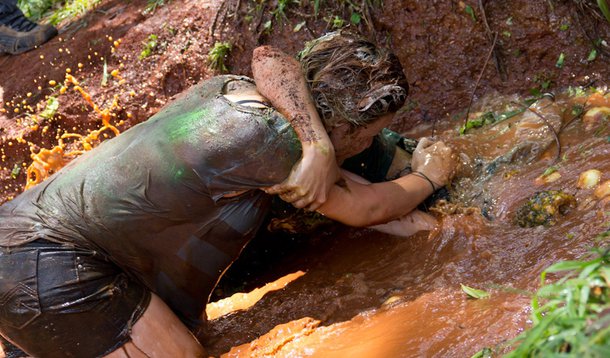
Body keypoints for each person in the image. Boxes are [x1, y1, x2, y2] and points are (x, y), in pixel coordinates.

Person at [0, 31, 454, 356]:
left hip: (23, 249)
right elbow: (364, 207)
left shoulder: (236, 91)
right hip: (52, 266)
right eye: (370, 133)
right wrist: (432, 175)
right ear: (340, 124)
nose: (371, 145)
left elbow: (271, 59)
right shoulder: (276, 142)